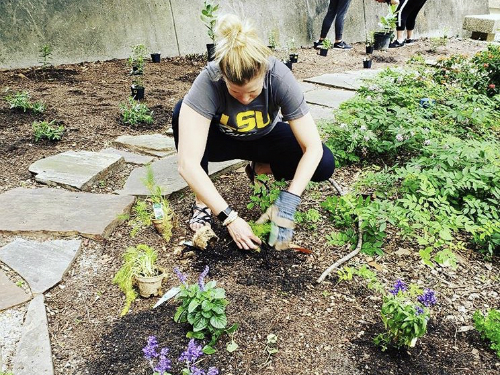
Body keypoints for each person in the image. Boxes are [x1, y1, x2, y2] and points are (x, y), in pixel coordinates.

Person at [172, 13, 335, 251]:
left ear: (263, 74)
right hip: (221, 141)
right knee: (181, 112)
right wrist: (230, 218)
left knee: (324, 163)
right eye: (236, 93)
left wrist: (288, 201)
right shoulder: (209, 80)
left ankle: (259, 167)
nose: (246, 100)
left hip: (263, 138)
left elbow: (313, 147)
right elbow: (187, 164)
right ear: (224, 77)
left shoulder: (278, 76)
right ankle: (203, 202)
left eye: (253, 92)